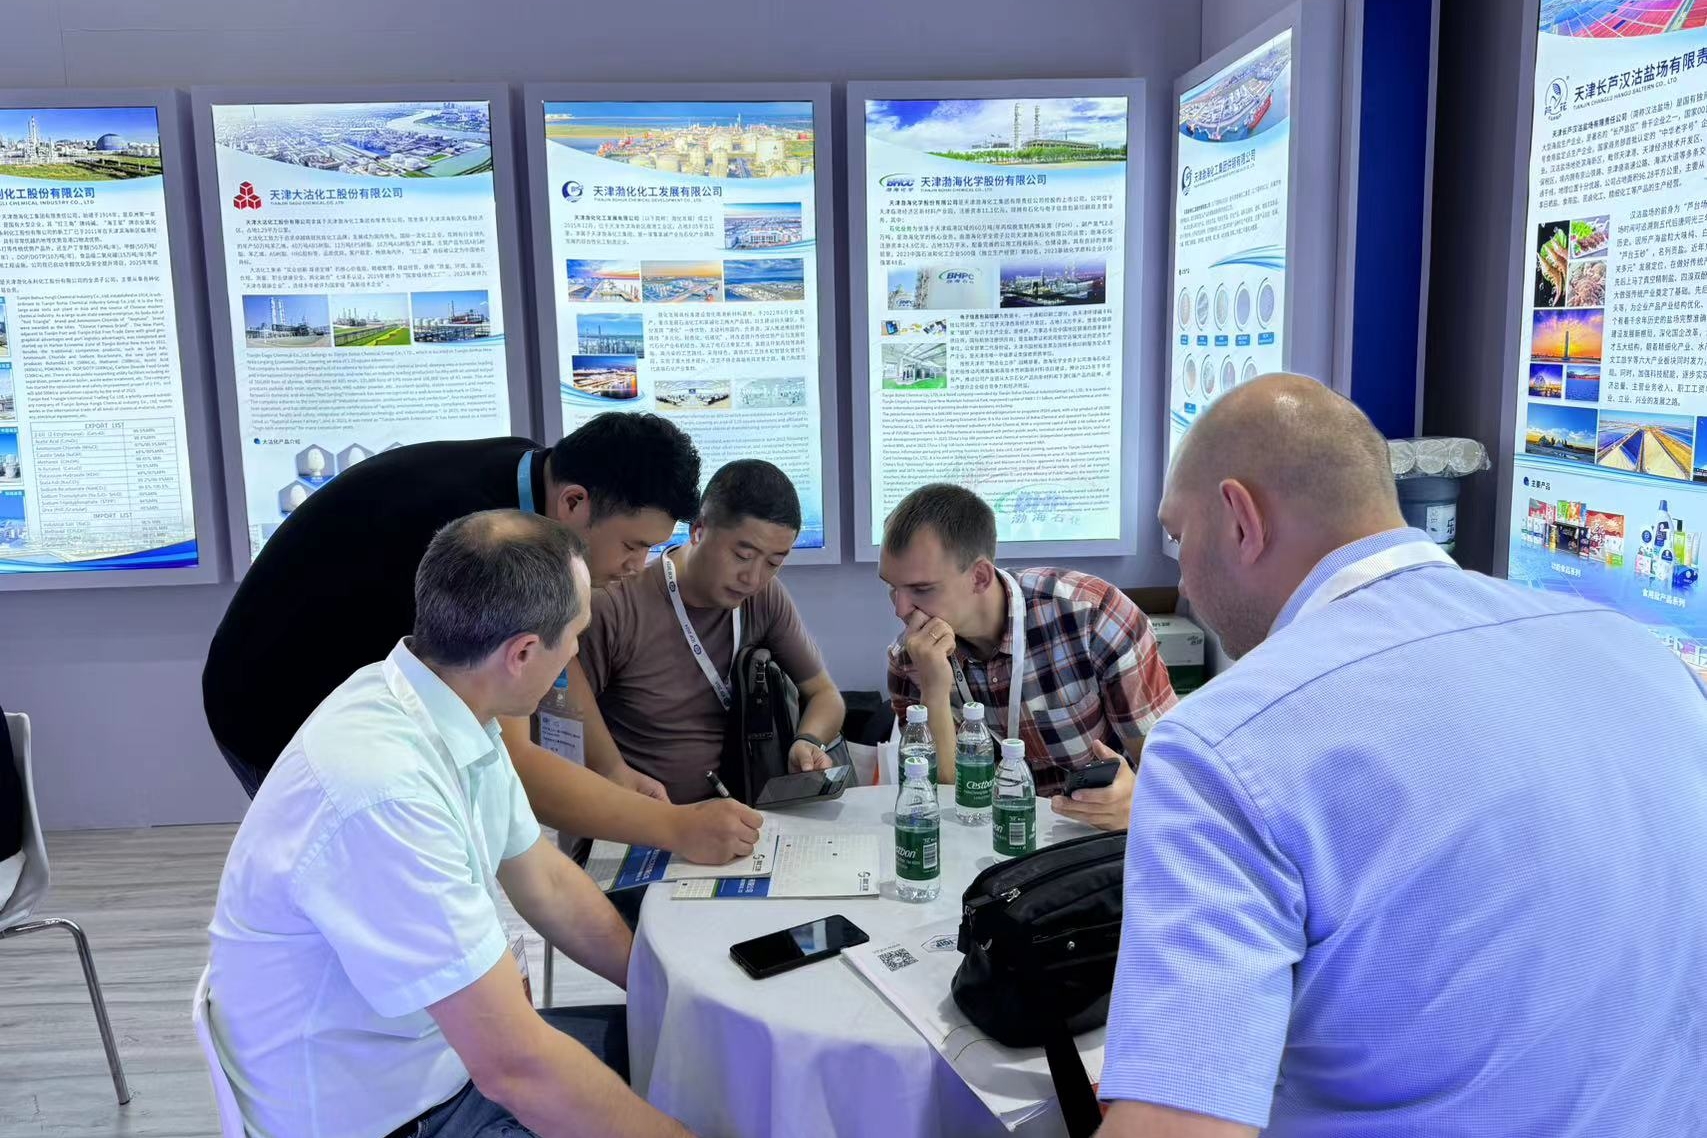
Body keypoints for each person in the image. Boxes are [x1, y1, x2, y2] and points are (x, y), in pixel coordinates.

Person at [1096, 374, 1707, 1137]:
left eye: (1178, 537)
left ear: (1240, 519)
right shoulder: (1641, 656)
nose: (1182, 580)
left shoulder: (1221, 745)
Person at [207, 512, 697, 1138]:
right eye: (576, 636)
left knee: (704, 1056)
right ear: (523, 653)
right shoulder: (385, 791)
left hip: (436, 1060)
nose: (576, 654)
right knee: (702, 1098)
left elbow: (545, 880)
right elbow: (516, 1070)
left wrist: (670, 995)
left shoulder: (438, 702)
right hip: (399, 1113)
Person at [202, 415, 763, 865]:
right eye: (633, 545)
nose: (638, 567)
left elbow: (556, 655)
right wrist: (674, 826)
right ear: (574, 502)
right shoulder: (490, 541)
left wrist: (611, 770)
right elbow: (516, 763)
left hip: (342, 657)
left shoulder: (538, 478)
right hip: (271, 697)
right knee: (368, 868)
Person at [879, 484, 1176, 830]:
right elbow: (944, 803)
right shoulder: (910, 660)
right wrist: (934, 689)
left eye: (921, 589)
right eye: (892, 587)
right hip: (988, 841)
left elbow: (1172, 772)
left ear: (979, 577)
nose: (900, 609)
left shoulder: (1092, 617)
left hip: (1094, 836)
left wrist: (1137, 799)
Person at [572, 460, 844, 803]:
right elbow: (565, 729)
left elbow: (825, 695)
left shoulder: (764, 599)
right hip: (646, 815)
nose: (754, 578)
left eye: (774, 563)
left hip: (746, 811)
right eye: (742, 555)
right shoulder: (615, 606)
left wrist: (808, 741)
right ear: (698, 530)